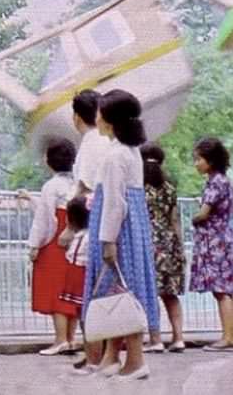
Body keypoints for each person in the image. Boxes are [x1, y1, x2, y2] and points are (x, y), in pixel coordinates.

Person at [79, 89, 158, 381]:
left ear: (109, 119)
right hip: (131, 229)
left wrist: (107, 240)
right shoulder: (130, 151)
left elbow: (114, 203)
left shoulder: (115, 156)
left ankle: (135, 362)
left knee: (121, 292)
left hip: (117, 231)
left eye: (99, 112)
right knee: (120, 289)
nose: (96, 117)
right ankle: (112, 358)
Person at [25, 138, 79, 356]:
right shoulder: (77, 183)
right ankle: (70, 338)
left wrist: (35, 245)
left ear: (49, 162)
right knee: (71, 291)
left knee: (56, 291)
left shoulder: (51, 186)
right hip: (75, 238)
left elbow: (44, 218)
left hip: (55, 242)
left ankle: (59, 340)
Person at [188, 137, 233, 351]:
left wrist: (194, 218)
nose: (196, 163)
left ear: (211, 161)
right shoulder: (222, 180)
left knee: (221, 290)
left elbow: (204, 213)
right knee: (224, 289)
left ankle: (227, 336)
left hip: (216, 242)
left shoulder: (216, 182)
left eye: (199, 159)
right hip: (222, 238)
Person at [140, 142, 185, 353]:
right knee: (170, 294)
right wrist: (181, 248)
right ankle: (178, 338)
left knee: (150, 292)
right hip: (170, 243)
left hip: (148, 242)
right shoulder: (169, 188)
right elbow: (175, 219)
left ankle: (155, 339)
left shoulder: (139, 188)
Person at [58, 197, 90, 321]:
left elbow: (70, 255)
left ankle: (89, 338)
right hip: (84, 274)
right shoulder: (92, 236)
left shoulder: (80, 238)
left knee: (82, 311)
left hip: (78, 276)